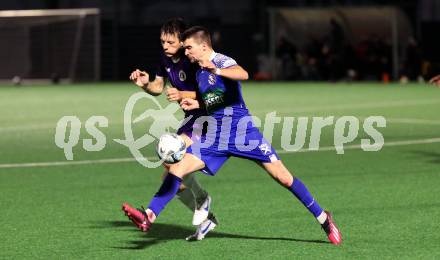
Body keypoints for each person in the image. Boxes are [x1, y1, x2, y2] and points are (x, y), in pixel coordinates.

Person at [123, 26, 342, 245]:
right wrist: (197, 102)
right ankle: (148, 216)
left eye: (189, 47)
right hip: (216, 137)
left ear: (203, 46)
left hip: (243, 132)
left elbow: (243, 73)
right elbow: (215, 98)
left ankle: (324, 219)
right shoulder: (198, 71)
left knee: (283, 177)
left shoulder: (219, 60)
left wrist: (216, 70)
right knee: (176, 168)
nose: (186, 52)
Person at [124, 19, 249, 241]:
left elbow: (210, 95)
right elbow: (158, 88)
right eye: (162, 41)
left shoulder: (194, 61)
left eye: (170, 41)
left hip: (209, 117)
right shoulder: (164, 57)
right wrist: (145, 84)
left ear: (183, 42)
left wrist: (183, 95)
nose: (165, 45)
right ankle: (205, 214)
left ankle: (154, 214)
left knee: (174, 162)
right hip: (192, 118)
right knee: (169, 168)